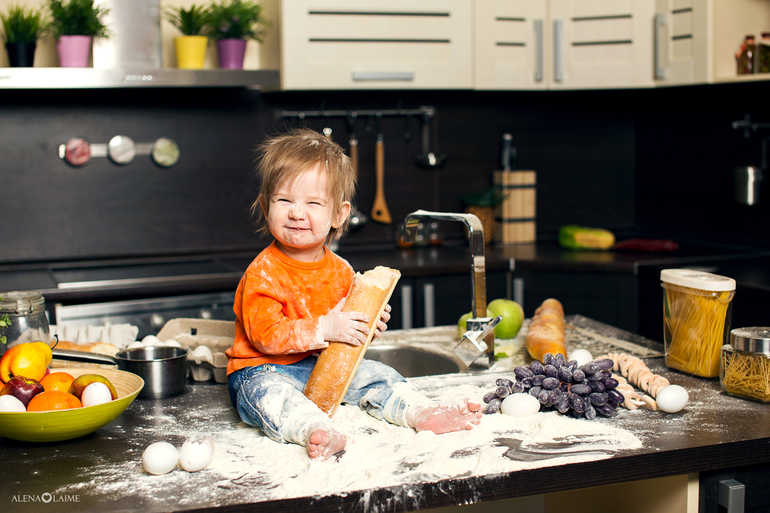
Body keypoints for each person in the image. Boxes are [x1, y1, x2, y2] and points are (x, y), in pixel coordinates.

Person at [225, 128, 482, 461]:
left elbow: (344, 341)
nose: (297, 213)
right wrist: (324, 329)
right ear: (265, 205)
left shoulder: (344, 272)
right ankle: (313, 429)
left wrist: (365, 329)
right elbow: (265, 337)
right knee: (268, 398)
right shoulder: (263, 273)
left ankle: (418, 412)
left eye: (313, 203)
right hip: (263, 369)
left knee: (377, 374)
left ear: (339, 214)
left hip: (320, 366)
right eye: (284, 200)